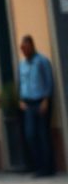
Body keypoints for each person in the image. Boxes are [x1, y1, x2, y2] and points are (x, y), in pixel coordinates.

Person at [18, 35, 56, 176]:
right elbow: (21, 83)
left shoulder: (42, 61)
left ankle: (47, 168)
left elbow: (49, 81)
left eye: (26, 48)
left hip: (41, 102)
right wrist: (20, 100)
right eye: (22, 49)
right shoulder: (21, 65)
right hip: (27, 104)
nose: (24, 51)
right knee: (30, 135)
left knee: (43, 135)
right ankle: (37, 165)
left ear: (32, 46)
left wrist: (46, 99)